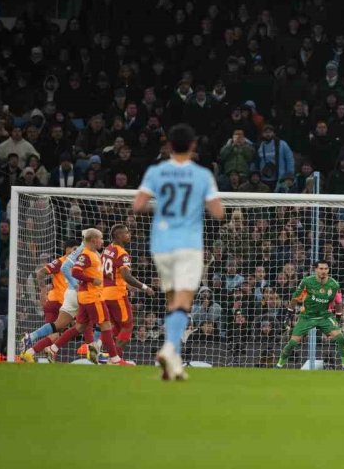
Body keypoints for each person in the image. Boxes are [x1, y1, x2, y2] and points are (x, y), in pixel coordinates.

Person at [133, 123, 225, 380]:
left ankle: (173, 362)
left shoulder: (156, 171)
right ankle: (169, 348)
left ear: (169, 146)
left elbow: (138, 205)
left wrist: (163, 208)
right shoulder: (201, 175)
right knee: (184, 302)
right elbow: (219, 212)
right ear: (193, 146)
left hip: (161, 245)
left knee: (172, 301)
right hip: (188, 244)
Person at [34, 228, 130, 365]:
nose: (102, 241)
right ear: (94, 240)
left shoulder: (93, 254)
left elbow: (91, 271)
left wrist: (104, 275)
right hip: (92, 296)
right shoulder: (85, 255)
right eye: (101, 238)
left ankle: (52, 348)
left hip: (85, 297)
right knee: (106, 325)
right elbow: (75, 272)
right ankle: (115, 359)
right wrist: (91, 280)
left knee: (80, 327)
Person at [275, 260, 344, 370]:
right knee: (292, 343)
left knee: (340, 338)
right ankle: (278, 365)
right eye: (321, 268)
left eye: (326, 269)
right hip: (307, 316)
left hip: (324, 316)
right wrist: (289, 314)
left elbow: (338, 302)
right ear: (315, 270)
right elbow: (295, 298)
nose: (323, 271)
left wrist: (338, 318)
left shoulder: (334, 284)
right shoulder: (307, 282)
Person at [19, 239, 81, 361]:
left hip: (65, 303)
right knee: (62, 332)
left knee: (57, 335)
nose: (75, 251)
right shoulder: (60, 262)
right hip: (56, 303)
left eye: (77, 249)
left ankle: (30, 351)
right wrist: (43, 290)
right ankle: (33, 345)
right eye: (73, 249)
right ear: (67, 249)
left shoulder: (77, 264)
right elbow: (41, 273)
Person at [102, 224, 155, 353]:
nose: (129, 235)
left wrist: (126, 285)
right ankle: (114, 357)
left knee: (117, 328)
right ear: (118, 235)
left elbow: (110, 273)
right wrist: (145, 287)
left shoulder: (107, 250)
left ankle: (105, 352)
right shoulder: (122, 253)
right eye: (126, 232)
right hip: (117, 294)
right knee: (128, 326)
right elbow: (126, 276)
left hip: (104, 293)